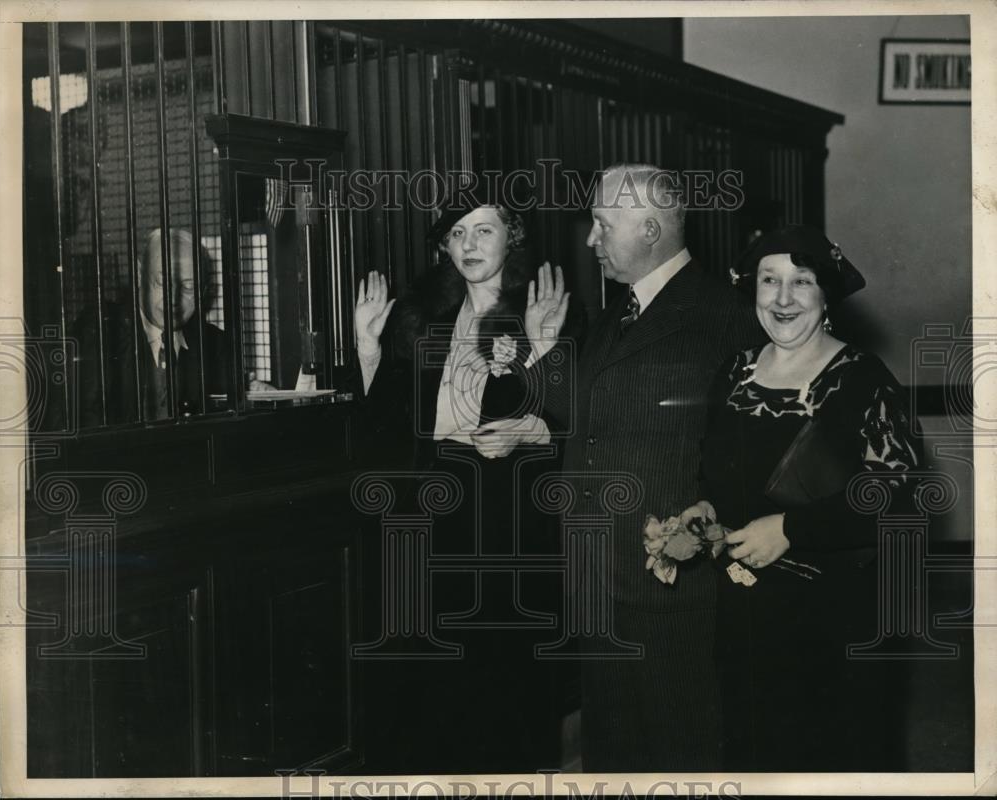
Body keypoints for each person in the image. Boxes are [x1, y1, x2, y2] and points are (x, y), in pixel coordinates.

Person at [523, 163, 761, 771]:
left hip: (672, 586)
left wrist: (702, 542)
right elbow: (580, 413)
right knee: (613, 750)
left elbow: (751, 457)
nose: (590, 239)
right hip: (599, 579)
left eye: (602, 225)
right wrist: (545, 348)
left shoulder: (727, 317)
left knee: (679, 746)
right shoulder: (615, 315)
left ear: (650, 228)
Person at [352, 188, 577, 773]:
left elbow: (575, 422)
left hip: (506, 516)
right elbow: (394, 425)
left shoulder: (545, 308)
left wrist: (540, 352)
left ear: (512, 238)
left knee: (503, 678)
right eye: (457, 233)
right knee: (436, 683)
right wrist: (368, 347)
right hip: (437, 512)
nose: (470, 244)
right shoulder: (426, 318)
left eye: (484, 230)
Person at [696, 224, 919, 770]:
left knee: (834, 756)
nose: (783, 298)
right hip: (746, 610)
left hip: (835, 616)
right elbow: (716, 474)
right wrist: (702, 512)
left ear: (826, 297)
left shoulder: (863, 377)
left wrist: (791, 531)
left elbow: (898, 497)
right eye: (769, 281)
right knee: (756, 750)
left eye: (802, 281)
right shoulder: (733, 372)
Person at [72, 227, 229, 426]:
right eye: (163, 282)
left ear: (203, 291)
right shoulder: (100, 333)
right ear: (139, 275)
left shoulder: (215, 343)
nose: (173, 299)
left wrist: (247, 392)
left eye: (189, 287)